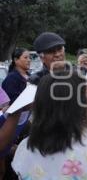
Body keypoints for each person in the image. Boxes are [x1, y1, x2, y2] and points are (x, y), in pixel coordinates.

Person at [1, 48, 31, 180]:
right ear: (16, 60)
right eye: (25, 57)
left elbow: (4, 102)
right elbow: (9, 106)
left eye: (29, 57)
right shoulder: (12, 78)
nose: (29, 60)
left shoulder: (28, 77)